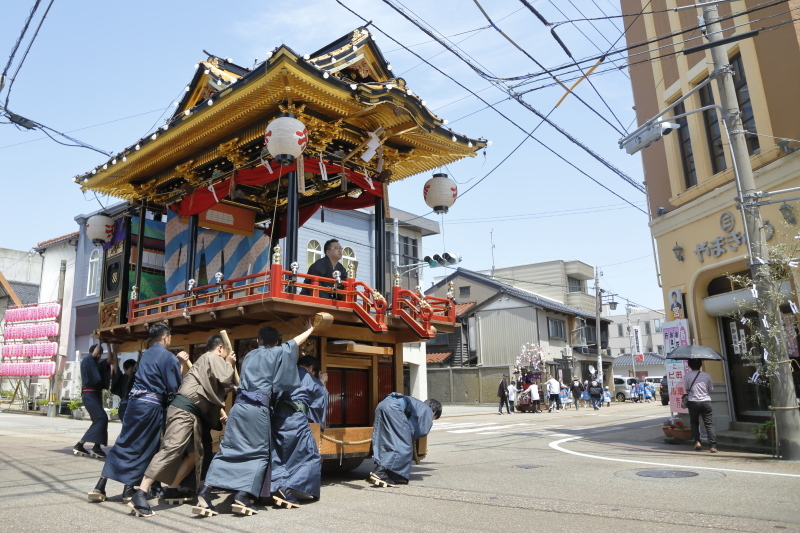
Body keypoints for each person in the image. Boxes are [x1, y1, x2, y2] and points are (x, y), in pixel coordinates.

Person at [192, 321, 315, 518]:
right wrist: (310, 330)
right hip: (257, 409)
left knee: (228, 450)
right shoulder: (275, 352)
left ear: (258, 341)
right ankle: (242, 495)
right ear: (276, 343)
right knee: (259, 453)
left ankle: (205, 493)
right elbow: (294, 343)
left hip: (238, 407)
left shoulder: (249, 355)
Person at [127, 334, 238, 517]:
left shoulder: (205, 362)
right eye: (224, 352)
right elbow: (226, 377)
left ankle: (172, 488)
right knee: (170, 449)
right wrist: (229, 362)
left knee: (194, 455)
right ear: (219, 349)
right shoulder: (211, 357)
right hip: (184, 411)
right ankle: (141, 493)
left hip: (189, 412)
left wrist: (232, 388)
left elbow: (216, 388)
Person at [88, 323, 187, 504]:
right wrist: (180, 363)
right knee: (144, 447)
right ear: (165, 338)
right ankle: (128, 491)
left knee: (124, 442)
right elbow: (174, 387)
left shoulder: (145, 355)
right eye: (170, 338)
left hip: (133, 403)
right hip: (150, 406)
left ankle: (100, 485)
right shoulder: (168, 357)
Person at [270, 355, 328, 509]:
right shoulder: (312, 380)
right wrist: (322, 383)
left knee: (278, 455)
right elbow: (320, 400)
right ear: (310, 368)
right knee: (310, 456)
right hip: (296, 420)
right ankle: (286, 488)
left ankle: (273, 487)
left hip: (276, 419)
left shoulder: (283, 374)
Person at [368, 394, 442, 487]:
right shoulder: (427, 410)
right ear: (434, 411)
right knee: (403, 445)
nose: (432, 419)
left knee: (385, 440)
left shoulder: (417, 404)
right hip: (394, 408)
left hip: (382, 405)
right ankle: (381, 472)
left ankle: (392, 474)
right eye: (434, 418)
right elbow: (420, 430)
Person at [74, 341, 114, 459]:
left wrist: (109, 346)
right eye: (99, 353)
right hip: (89, 395)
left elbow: (109, 360)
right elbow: (95, 353)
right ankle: (80, 444)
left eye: (101, 353)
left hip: (96, 395)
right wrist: (101, 341)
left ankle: (96, 447)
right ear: (93, 352)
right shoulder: (87, 360)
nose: (100, 355)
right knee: (102, 418)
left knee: (99, 420)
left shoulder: (98, 364)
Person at [685, 359, 717, 453]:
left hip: (693, 401)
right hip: (706, 401)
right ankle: (712, 446)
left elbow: (686, 389)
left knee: (694, 423)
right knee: (709, 424)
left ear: (690, 365)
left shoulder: (687, 375)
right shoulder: (707, 375)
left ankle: (697, 442)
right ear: (700, 365)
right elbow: (711, 389)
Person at [110, 358, 137, 425]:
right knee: (128, 428)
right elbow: (116, 364)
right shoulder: (121, 378)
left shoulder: (136, 378)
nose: (132, 373)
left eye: (134, 371)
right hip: (124, 407)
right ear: (125, 369)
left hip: (134, 406)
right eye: (131, 371)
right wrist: (113, 350)